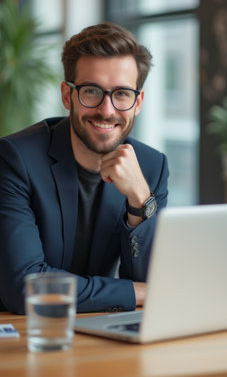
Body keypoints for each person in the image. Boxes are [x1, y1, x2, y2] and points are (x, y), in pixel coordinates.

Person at [0, 22, 169, 314]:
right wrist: (133, 292)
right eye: (92, 91)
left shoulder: (151, 168)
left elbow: (157, 282)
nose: (107, 110)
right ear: (67, 95)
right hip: (23, 332)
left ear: (138, 102)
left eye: (122, 94)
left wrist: (141, 200)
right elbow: (25, 288)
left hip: (100, 330)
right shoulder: (15, 160)